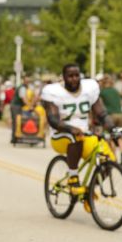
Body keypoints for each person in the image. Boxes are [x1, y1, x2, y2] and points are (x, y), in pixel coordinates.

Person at [40, 64, 108, 196]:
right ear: (64, 77)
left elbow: (101, 114)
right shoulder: (54, 92)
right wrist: (71, 128)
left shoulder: (89, 89)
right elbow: (53, 120)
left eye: (77, 75)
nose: (74, 79)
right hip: (61, 135)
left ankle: (90, 191)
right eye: (70, 76)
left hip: (84, 135)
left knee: (107, 158)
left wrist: (113, 128)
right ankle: (73, 177)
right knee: (74, 137)